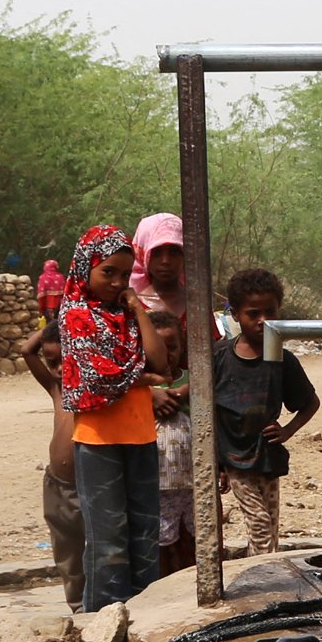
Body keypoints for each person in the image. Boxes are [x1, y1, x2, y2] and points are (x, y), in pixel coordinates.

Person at [61, 224, 170, 610]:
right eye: (108, 271)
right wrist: (143, 378)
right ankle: (103, 625)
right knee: (107, 540)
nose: (117, 281)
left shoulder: (125, 315)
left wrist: (138, 308)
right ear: (85, 267)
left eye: (125, 274)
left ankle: (142, 621)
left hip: (141, 435)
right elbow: (98, 378)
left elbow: (162, 362)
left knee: (144, 537)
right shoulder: (75, 314)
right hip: (98, 440)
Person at [213, 267, 318, 556]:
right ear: (235, 314)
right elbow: (207, 412)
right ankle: (261, 578)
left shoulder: (282, 360)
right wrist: (217, 462)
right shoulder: (220, 357)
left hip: (267, 456)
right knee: (259, 523)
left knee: (269, 527)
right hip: (234, 458)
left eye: (270, 312)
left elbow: (310, 402)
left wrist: (287, 431)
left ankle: (260, 576)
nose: (264, 321)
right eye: (253, 314)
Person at [131, 213, 198, 577]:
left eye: (175, 252)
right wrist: (151, 392)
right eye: (159, 253)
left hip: (189, 425)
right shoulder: (128, 305)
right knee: (156, 533)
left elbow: (211, 362)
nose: (167, 261)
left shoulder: (197, 302)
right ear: (144, 255)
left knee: (193, 531)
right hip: (145, 424)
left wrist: (188, 387)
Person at [18, 318, 87, 610]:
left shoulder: (88, 389)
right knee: (66, 549)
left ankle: (96, 603)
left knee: (93, 547)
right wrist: (62, 317)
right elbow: (27, 350)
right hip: (57, 485)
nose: (59, 368)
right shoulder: (56, 390)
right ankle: (76, 604)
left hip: (87, 484)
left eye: (65, 360)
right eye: (53, 362)